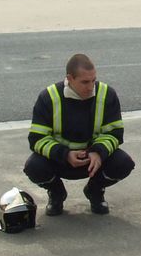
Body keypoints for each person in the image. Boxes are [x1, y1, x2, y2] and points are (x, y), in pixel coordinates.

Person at [24, 53, 134, 216]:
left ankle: (95, 191)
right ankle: (57, 193)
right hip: (60, 159)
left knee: (124, 163)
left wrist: (98, 151)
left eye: (93, 80)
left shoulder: (107, 94)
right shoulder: (48, 97)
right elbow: (37, 139)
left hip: (93, 160)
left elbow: (115, 133)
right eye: (84, 82)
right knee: (33, 167)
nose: (90, 87)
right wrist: (65, 154)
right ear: (70, 78)